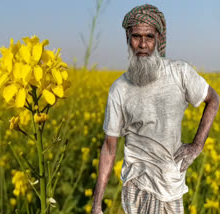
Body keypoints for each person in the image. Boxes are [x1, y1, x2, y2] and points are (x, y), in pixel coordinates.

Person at [92, 4, 219, 214]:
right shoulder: (119, 90)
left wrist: (197, 146)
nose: (142, 44)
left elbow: (213, 99)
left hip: (171, 184)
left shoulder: (180, 73)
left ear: (158, 39)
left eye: (149, 37)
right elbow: (109, 148)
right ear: (127, 38)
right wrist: (97, 205)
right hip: (136, 187)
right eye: (136, 36)